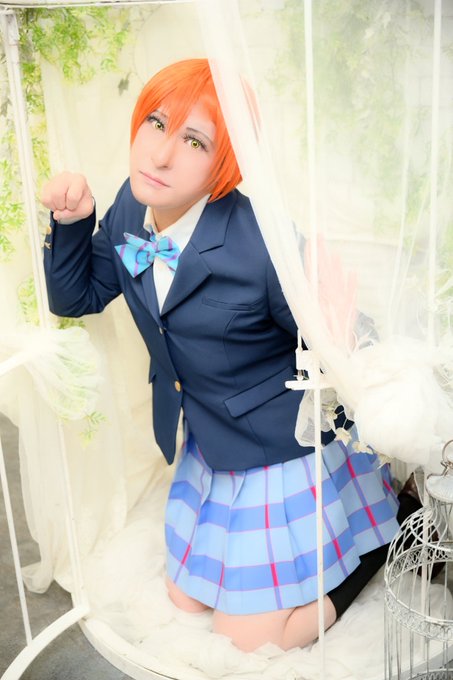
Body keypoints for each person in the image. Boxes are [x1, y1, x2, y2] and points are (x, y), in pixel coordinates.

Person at [41, 58, 401, 653]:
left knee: (252, 641)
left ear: (226, 164)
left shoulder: (261, 245)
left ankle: (373, 552)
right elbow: (76, 296)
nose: (160, 155)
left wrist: (341, 333)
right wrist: (74, 222)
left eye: (194, 141)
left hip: (276, 453)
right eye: (157, 123)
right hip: (208, 441)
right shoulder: (132, 209)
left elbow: (351, 339)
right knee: (184, 599)